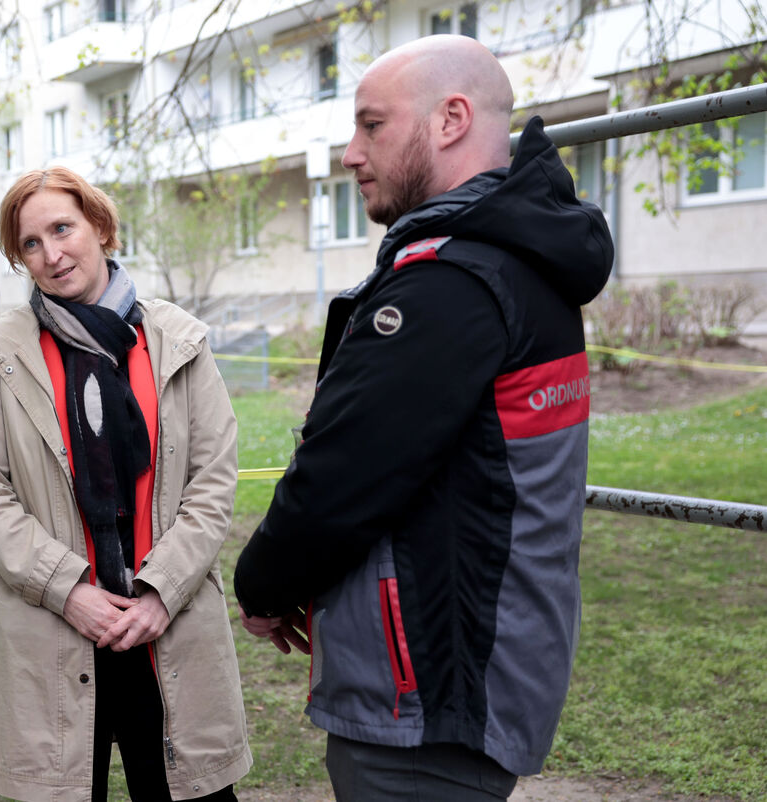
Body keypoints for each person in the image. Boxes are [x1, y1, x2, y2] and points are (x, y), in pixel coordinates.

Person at [234, 35, 613, 801]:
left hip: (429, 696)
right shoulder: (515, 259)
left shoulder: (453, 285)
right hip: (479, 670)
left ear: (449, 120)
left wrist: (262, 585)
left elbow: (342, 475)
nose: (350, 153)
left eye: (370, 126)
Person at [0, 167, 251, 802]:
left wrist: (159, 594)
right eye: (30, 244)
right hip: (54, 634)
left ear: (102, 227)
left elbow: (212, 482)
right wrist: (70, 591)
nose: (52, 254)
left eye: (62, 229)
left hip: (165, 629)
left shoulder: (179, 339)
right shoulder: (0, 350)